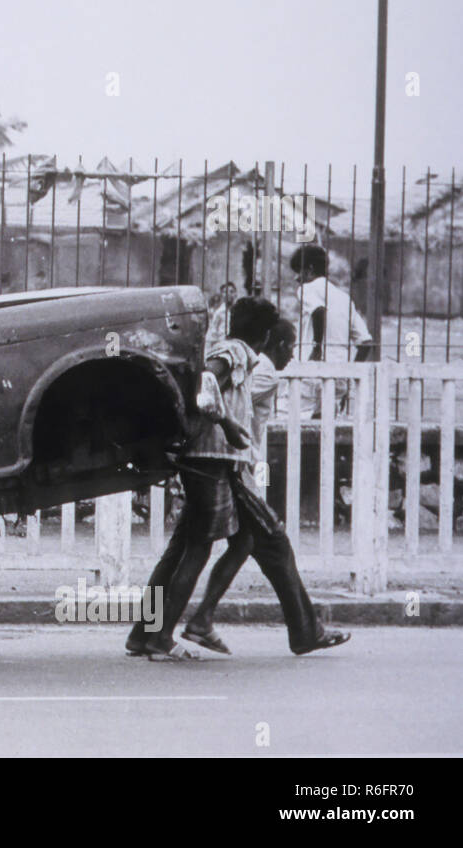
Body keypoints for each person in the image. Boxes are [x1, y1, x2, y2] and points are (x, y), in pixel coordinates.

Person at [181, 313, 351, 656]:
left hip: (232, 466)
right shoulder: (263, 370)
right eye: (290, 346)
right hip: (235, 469)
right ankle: (304, 632)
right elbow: (222, 389)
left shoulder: (247, 362)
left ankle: (195, 621)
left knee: (242, 543)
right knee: (276, 546)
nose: (291, 355)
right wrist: (226, 423)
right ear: (279, 343)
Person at [125, 298, 259, 661]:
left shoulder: (229, 347)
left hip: (200, 455)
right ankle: (161, 637)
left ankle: (143, 633)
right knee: (198, 549)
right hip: (211, 457)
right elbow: (208, 379)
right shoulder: (238, 351)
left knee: (179, 550)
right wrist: (228, 424)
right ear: (262, 335)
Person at [289, 245, 373, 416]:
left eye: (299, 271)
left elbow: (319, 310)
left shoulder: (306, 289)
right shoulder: (344, 298)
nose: (296, 278)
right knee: (326, 427)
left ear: (310, 270)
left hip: (311, 368)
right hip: (339, 371)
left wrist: (317, 348)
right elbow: (366, 343)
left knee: (298, 422)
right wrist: (350, 375)